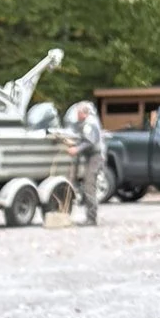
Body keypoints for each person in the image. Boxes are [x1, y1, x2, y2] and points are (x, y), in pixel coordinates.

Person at [69, 96, 106, 227]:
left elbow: (89, 142)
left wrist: (76, 149)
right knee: (88, 185)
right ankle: (90, 216)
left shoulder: (89, 123)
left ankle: (91, 218)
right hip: (93, 157)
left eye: (78, 113)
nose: (77, 116)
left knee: (89, 186)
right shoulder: (89, 122)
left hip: (95, 157)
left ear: (83, 113)